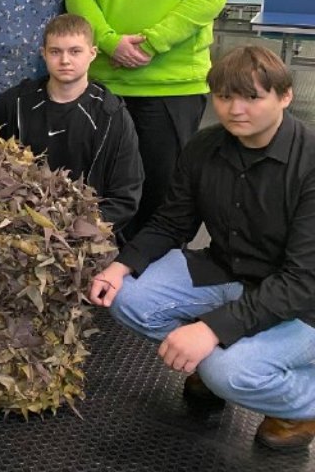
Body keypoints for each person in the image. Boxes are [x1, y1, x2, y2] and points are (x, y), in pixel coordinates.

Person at [89, 46, 315, 452]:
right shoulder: (205, 146)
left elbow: (302, 280)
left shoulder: (310, 162)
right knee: (127, 298)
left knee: (227, 371)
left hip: (302, 304)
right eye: (224, 97)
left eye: (252, 97)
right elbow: (171, 223)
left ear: (285, 96)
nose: (235, 109)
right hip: (227, 271)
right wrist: (119, 266)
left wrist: (211, 330)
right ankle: (217, 358)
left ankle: (295, 403)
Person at [66, 0, 230, 241]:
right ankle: (102, 261)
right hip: (108, 81)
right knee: (101, 185)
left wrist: (151, 43)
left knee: (163, 189)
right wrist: (109, 41)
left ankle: (151, 267)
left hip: (171, 86)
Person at [0, 14, 143, 232]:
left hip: (86, 233)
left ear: (92, 53)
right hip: (18, 228)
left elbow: (125, 195)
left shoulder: (111, 115)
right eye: (55, 52)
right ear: (43, 53)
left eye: (75, 51)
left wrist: (76, 230)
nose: (65, 60)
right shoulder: (13, 104)